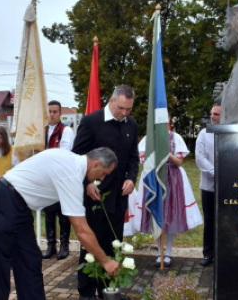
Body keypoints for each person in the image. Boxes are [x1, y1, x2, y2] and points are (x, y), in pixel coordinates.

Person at [0, 147, 119, 300]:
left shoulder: (71, 161)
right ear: (95, 164)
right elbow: (81, 230)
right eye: (103, 173)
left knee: (30, 262)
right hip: (4, 200)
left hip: (19, 206)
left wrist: (86, 184)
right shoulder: (71, 174)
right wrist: (105, 261)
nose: (101, 179)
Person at [72, 85, 139, 300]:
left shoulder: (131, 124)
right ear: (111, 101)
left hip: (119, 197)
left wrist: (130, 178)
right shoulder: (91, 121)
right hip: (94, 195)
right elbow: (76, 157)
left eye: (129, 109)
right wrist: (86, 183)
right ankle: (86, 291)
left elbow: (133, 158)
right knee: (92, 242)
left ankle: (108, 289)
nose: (125, 113)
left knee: (114, 242)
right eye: (121, 108)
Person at [135, 130, 203, 267]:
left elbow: (179, 162)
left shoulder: (175, 138)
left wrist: (167, 153)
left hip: (172, 178)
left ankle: (168, 253)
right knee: (156, 214)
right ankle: (159, 252)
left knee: (170, 214)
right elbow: (144, 162)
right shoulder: (148, 138)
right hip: (153, 178)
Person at [42, 100, 75, 260]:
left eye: (55, 111)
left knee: (63, 213)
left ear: (60, 113)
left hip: (61, 178)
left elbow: (64, 154)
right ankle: (50, 245)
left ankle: (64, 245)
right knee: (49, 212)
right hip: (47, 178)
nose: (52, 114)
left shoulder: (66, 131)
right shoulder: (43, 131)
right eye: (49, 111)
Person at [195, 105, 221, 267]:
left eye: (216, 114)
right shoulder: (204, 134)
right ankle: (208, 253)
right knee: (210, 220)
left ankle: (224, 253)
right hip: (209, 186)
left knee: (226, 220)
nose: (212, 116)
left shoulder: (232, 133)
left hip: (229, 185)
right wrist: (214, 172)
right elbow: (199, 157)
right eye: (211, 113)